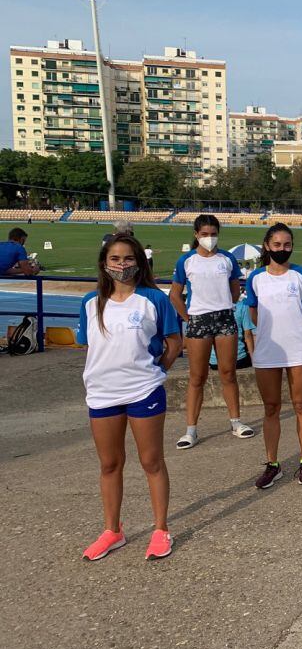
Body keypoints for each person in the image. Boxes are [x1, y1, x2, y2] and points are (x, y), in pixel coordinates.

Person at [77, 234, 182, 561]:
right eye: (115, 259)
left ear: (139, 261)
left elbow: (174, 342)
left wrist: (158, 371)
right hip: (102, 393)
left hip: (143, 390)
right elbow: (88, 344)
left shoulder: (154, 299)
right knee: (110, 464)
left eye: (128, 259)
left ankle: (161, 529)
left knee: (151, 461)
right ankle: (113, 531)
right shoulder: (90, 302)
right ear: (104, 264)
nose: (122, 265)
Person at [246, 223, 302, 488]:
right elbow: (254, 313)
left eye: (287, 245)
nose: (282, 249)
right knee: (271, 408)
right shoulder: (256, 277)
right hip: (267, 350)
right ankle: (273, 464)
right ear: (267, 246)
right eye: (277, 245)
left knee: (301, 405)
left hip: (298, 349)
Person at [169, 215, 253, 449]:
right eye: (204, 234)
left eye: (213, 233)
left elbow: (235, 290)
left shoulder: (226, 259)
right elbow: (175, 295)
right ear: (196, 234)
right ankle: (191, 430)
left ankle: (236, 422)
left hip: (225, 318)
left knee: (228, 372)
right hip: (198, 320)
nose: (209, 238)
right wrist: (189, 318)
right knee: (197, 377)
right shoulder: (186, 261)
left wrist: (224, 305)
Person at [210, 298, 255, 372]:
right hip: (238, 360)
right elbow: (248, 336)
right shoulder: (242, 306)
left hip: (214, 362)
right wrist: (254, 361)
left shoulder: (210, 306)